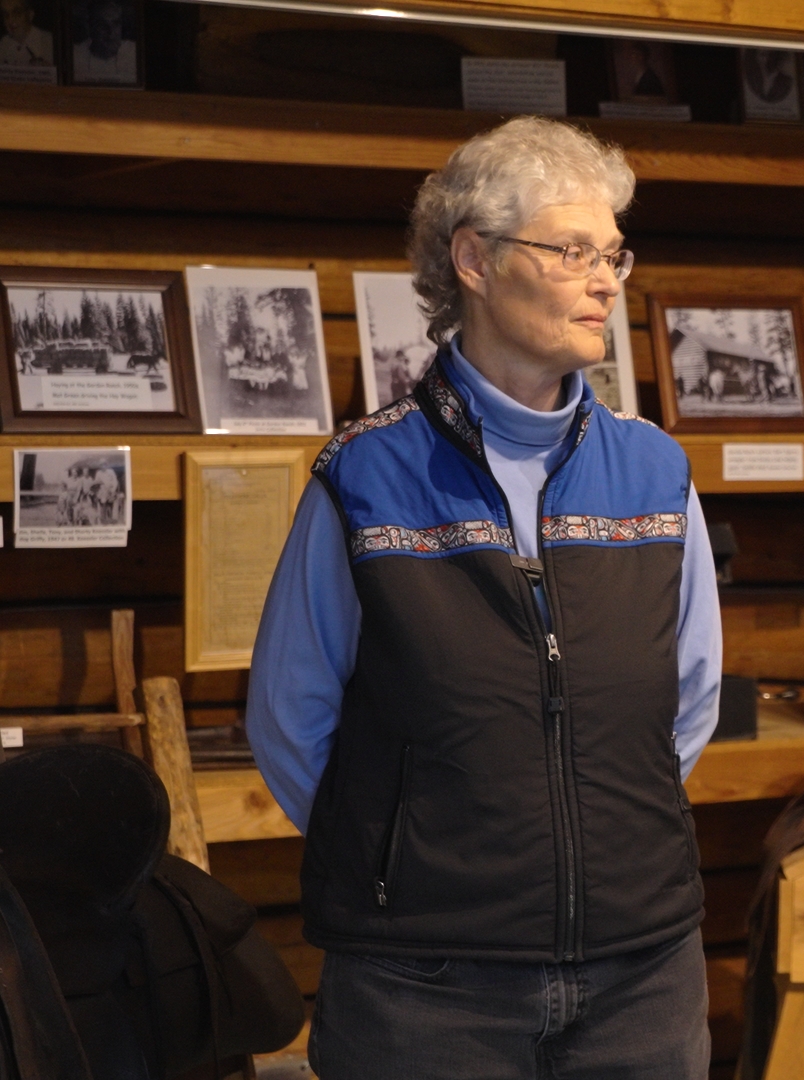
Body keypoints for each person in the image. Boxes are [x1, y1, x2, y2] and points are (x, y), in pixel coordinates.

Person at [248, 116, 721, 1078]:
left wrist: (594, 846)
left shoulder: (656, 472)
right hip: (424, 990)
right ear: (474, 259)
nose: (605, 281)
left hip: (643, 978)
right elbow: (291, 721)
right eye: (574, 250)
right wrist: (406, 859)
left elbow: (689, 698)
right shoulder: (364, 477)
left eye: (615, 254)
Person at [69, 0, 135, 85]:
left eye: (115, 24)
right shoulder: (75, 56)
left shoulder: (134, 52)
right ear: (90, 27)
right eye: (102, 25)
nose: (111, 33)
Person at [0, 0, 54, 72]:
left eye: (17, 13)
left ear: (30, 15)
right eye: (6, 15)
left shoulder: (51, 44)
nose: (10, 20)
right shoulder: (3, 44)